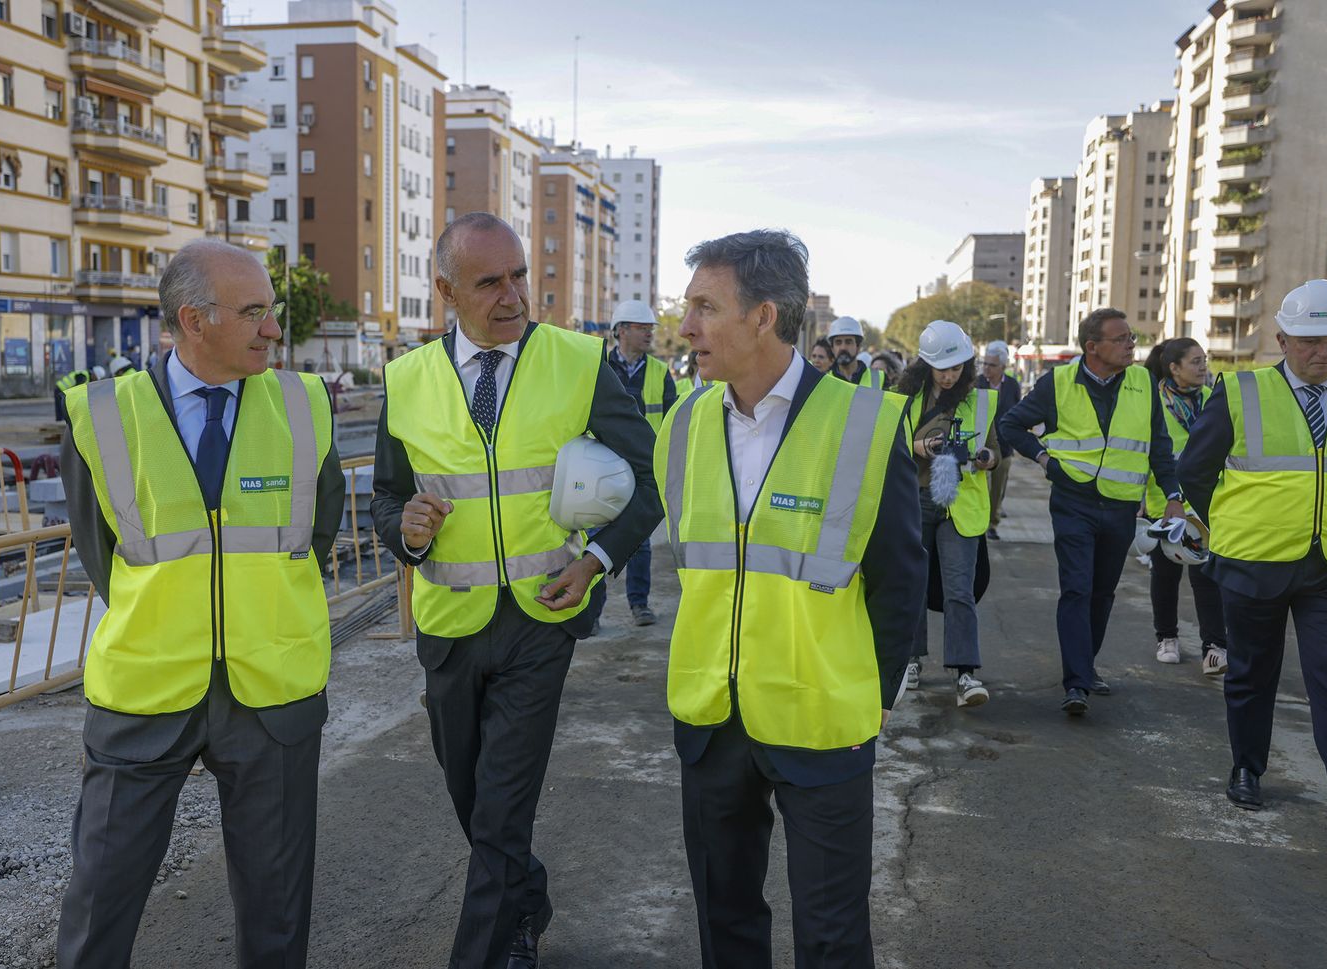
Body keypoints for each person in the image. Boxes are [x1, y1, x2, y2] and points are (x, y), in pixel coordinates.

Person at [371, 213, 662, 968]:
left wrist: (596, 560)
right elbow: (387, 498)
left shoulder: (577, 361)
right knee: (472, 799)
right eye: (490, 282)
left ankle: (488, 951)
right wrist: (406, 529)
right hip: (449, 625)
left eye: (519, 275)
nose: (513, 296)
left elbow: (650, 478)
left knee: (501, 808)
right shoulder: (406, 380)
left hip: (542, 618)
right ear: (445, 292)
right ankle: (526, 899)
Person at [56, 239, 345, 967]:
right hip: (144, 690)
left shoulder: (305, 406)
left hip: (272, 690)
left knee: (278, 913)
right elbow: (102, 553)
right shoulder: (102, 415)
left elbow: (315, 536)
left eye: (271, 311)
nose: (272, 329)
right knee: (99, 905)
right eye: (253, 313)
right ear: (193, 320)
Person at [659, 229, 924, 969]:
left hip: (821, 715)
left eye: (705, 307)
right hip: (712, 717)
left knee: (833, 935)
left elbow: (901, 578)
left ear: (763, 316)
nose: (687, 327)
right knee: (724, 921)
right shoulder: (682, 424)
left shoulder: (864, 423)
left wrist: (876, 694)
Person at [1178, 279, 1327, 854]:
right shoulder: (1241, 391)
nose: (1324, 353)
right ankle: (1247, 767)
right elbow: (1194, 470)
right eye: (1311, 341)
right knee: (1252, 672)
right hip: (1254, 561)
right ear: (1283, 340)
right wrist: (1232, 527)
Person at [998, 308, 1185, 716]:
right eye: (1121, 339)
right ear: (1092, 347)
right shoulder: (1058, 382)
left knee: (1102, 593)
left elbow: (1159, 445)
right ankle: (1077, 682)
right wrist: (1045, 460)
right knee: (1077, 589)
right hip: (1074, 503)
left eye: (1132, 338)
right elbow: (1010, 425)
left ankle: (1085, 666)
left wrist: (1173, 495)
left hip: (1121, 506)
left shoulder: (1142, 382)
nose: (1131, 345)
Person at [897, 320, 999, 707]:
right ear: (926, 365)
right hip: (916, 499)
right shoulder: (906, 400)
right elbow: (886, 442)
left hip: (961, 504)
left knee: (960, 590)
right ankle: (910, 661)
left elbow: (995, 449)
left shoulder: (979, 401)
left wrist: (987, 458)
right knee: (914, 585)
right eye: (942, 368)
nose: (949, 375)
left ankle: (965, 673)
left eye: (956, 368)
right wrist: (918, 447)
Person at [1141, 337, 1228, 674]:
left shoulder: (1214, 398)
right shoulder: (1153, 402)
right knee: (1166, 576)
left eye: (1204, 360)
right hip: (1166, 503)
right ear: (1174, 368)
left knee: (1208, 578)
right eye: (1195, 361)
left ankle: (1214, 648)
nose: (1203, 367)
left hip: (1208, 503)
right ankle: (1167, 638)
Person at [605, 299, 679, 626]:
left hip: (645, 466)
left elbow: (672, 419)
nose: (649, 333)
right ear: (621, 330)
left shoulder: (661, 373)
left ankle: (639, 604)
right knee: (597, 536)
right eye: (642, 327)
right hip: (603, 464)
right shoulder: (598, 366)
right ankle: (592, 614)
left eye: (651, 328)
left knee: (640, 539)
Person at [975, 340, 1022, 541]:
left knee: (997, 488)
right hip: (980, 445)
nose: (986, 368)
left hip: (1004, 446)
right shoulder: (976, 383)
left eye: (991, 365)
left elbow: (1019, 412)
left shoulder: (1012, 385)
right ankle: (978, 523)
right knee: (981, 488)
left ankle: (992, 524)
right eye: (984, 363)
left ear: (1003, 366)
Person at [828, 315, 884, 389]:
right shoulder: (824, 381)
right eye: (838, 343)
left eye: (848, 342)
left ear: (858, 347)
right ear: (832, 348)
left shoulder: (879, 379)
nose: (843, 347)